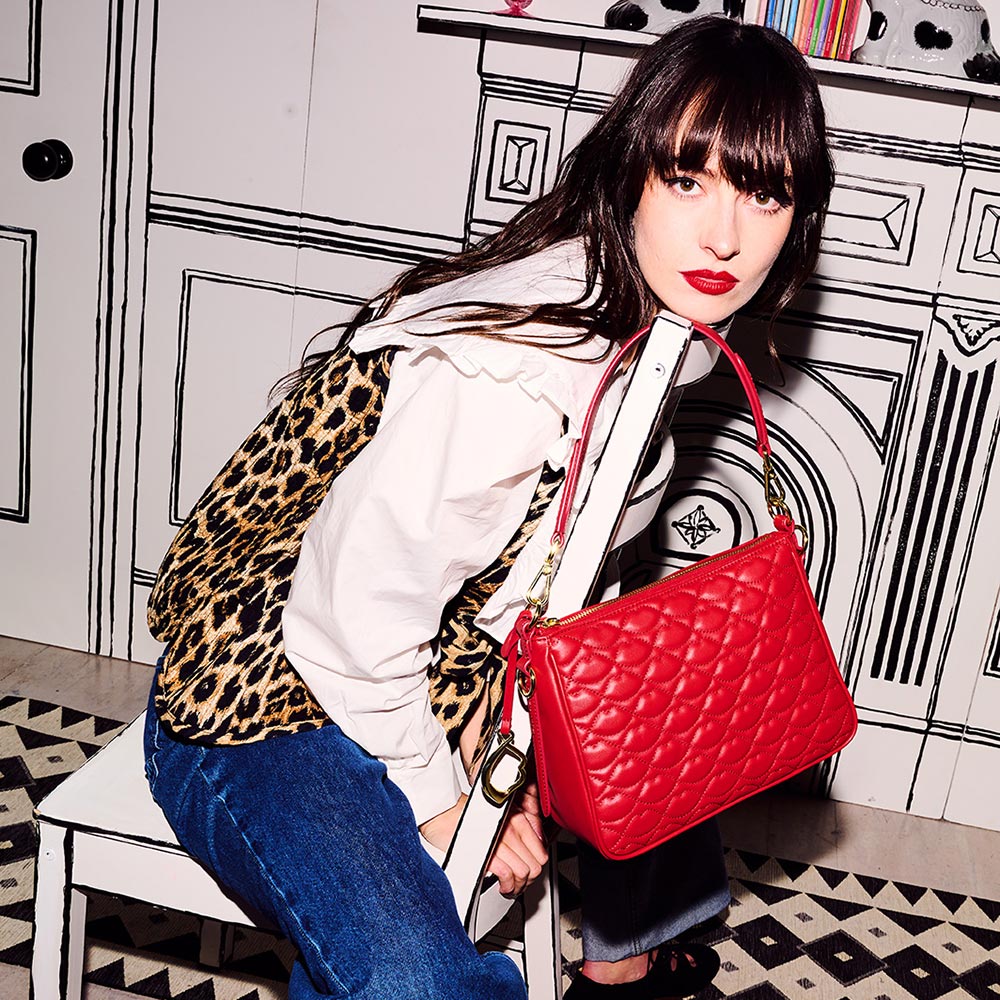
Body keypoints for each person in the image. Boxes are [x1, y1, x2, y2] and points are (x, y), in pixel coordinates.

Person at [143, 15, 833, 1000]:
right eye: (687, 180)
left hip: (422, 665)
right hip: (263, 699)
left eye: (761, 195)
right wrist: (443, 797)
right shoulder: (510, 369)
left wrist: (490, 745)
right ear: (630, 172)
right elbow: (347, 627)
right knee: (414, 981)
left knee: (659, 683)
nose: (723, 235)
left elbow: (524, 599)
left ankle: (622, 956)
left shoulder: (648, 326)